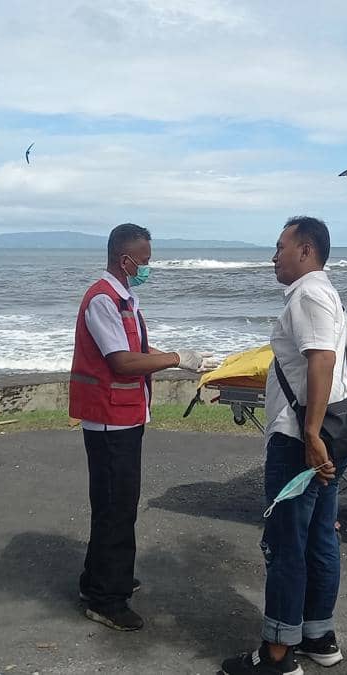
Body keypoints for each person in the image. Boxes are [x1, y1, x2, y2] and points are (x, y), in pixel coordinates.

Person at [222, 216, 347, 675]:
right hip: (321, 435)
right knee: (319, 537)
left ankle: (277, 654)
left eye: (280, 247)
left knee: (286, 545)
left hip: (300, 441)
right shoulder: (326, 293)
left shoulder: (309, 294)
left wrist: (311, 435)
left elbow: (321, 361)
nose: (273, 256)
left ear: (306, 250)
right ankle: (318, 635)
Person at [69, 223, 214, 632]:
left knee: (114, 505)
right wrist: (173, 358)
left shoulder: (123, 297)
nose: (148, 268)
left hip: (125, 416)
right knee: (117, 508)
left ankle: (99, 580)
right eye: (145, 262)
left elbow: (134, 350)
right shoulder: (102, 300)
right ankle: (107, 600)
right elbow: (121, 362)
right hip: (109, 420)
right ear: (125, 259)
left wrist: (180, 357)